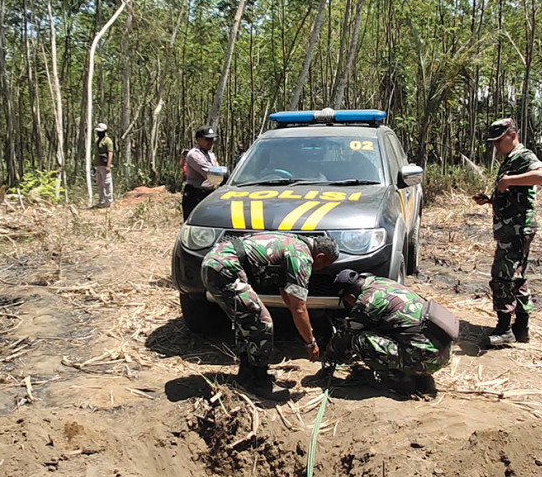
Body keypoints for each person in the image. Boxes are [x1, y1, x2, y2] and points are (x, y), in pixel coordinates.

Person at [201, 232, 340, 400]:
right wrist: (310, 342)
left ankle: (246, 374)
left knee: (247, 321)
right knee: (262, 323)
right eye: (324, 265)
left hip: (215, 263)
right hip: (225, 269)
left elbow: (287, 294)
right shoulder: (301, 256)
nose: (321, 269)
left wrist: (298, 318)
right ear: (320, 256)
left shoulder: (293, 242)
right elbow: (299, 308)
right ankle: (259, 382)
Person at [472, 118, 542, 347]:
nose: (496, 146)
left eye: (499, 141)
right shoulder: (510, 159)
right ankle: (521, 328)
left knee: (502, 277)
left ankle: (504, 328)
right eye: (493, 142)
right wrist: (491, 200)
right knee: (517, 278)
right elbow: (513, 193)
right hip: (511, 228)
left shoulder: (523, 156)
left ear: (512, 135)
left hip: (516, 230)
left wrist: (508, 181)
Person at [324, 270, 458, 397]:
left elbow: (346, 334)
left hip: (426, 359)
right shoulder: (381, 283)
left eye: (347, 301)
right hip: (442, 354)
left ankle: (398, 381)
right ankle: (417, 374)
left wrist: (330, 355)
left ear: (351, 297)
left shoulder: (367, 301)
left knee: (360, 340)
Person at [183, 125, 220, 220]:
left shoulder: (211, 155)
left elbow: (218, 170)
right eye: (207, 139)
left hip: (209, 195)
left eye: (212, 139)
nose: (211, 142)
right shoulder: (194, 155)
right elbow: (213, 174)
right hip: (196, 196)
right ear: (199, 140)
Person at [93, 122, 114, 208]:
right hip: (98, 164)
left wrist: (108, 165)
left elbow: (110, 153)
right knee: (100, 183)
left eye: (101, 131)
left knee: (107, 183)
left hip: (104, 164)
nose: (99, 133)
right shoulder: (97, 140)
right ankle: (101, 201)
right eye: (98, 131)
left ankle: (109, 201)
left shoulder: (107, 141)